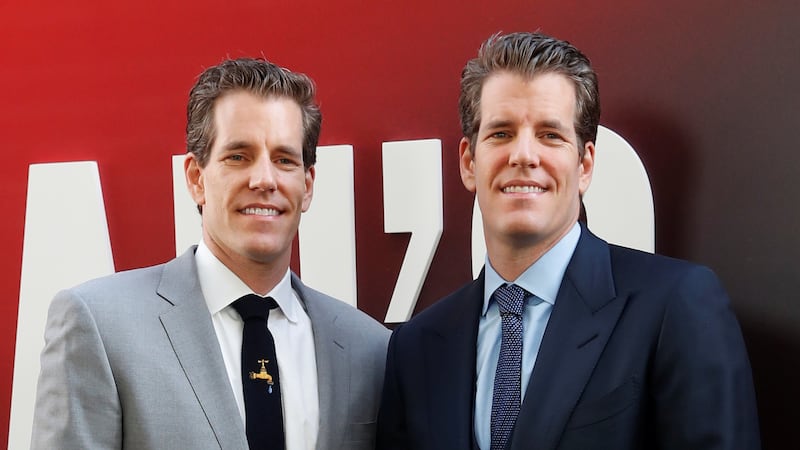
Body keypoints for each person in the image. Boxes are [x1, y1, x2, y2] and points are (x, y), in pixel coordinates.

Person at [376, 32, 760, 449]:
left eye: (550, 135)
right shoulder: (415, 349)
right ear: (470, 163)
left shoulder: (674, 306)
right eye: (501, 133)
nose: (523, 155)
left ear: (585, 166)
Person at [32, 57, 389, 450]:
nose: (264, 180)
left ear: (307, 184)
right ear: (196, 178)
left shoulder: (368, 348)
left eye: (284, 160)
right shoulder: (100, 326)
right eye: (239, 156)